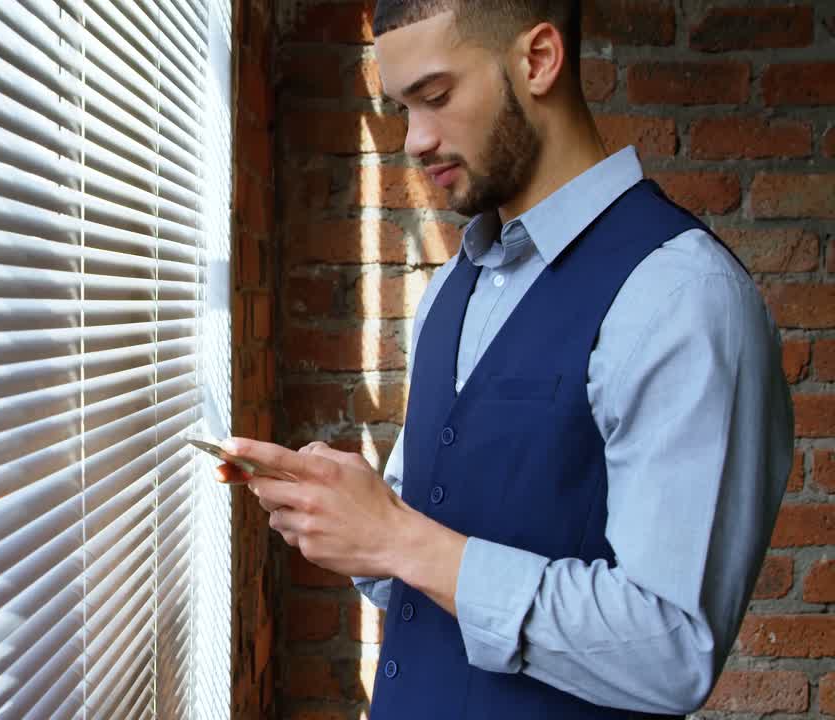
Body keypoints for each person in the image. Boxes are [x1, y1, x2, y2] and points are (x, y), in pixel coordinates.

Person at [216, 0, 795, 717]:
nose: (414, 141)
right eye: (400, 108)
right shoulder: (450, 291)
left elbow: (671, 649)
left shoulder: (683, 295)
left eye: (435, 97)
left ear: (539, 60)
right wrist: (348, 515)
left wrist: (399, 539)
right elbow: (419, 558)